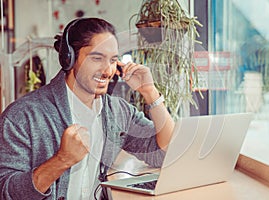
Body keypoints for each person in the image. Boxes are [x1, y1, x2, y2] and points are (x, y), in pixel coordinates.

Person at [0, 17, 174, 200]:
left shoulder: (117, 111)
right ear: (70, 59)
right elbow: (5, 191)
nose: (107, 71)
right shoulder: (22, 115)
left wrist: (151, 93)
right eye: (97, 58)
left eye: (113, 60)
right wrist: (61, 160)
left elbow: (164, 154)